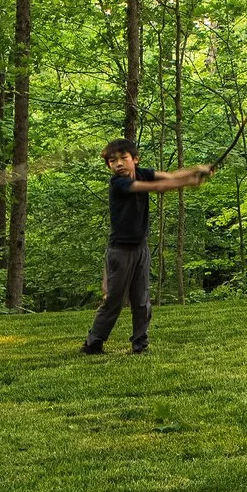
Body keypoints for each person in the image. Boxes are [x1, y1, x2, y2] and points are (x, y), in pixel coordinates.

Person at [84, 136, 211, 355]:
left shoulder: (142, 172)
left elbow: (170, 175)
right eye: (113, 161)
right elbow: (159, 186)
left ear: (135, 159)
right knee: (113, 301)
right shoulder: (119, 184)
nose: (119, 164)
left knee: (141, 300)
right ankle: (93, 343)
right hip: (119, 252)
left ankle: (140, 344)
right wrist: (189, 182)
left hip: (141, 249)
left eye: (123, 158)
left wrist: (197, 169)